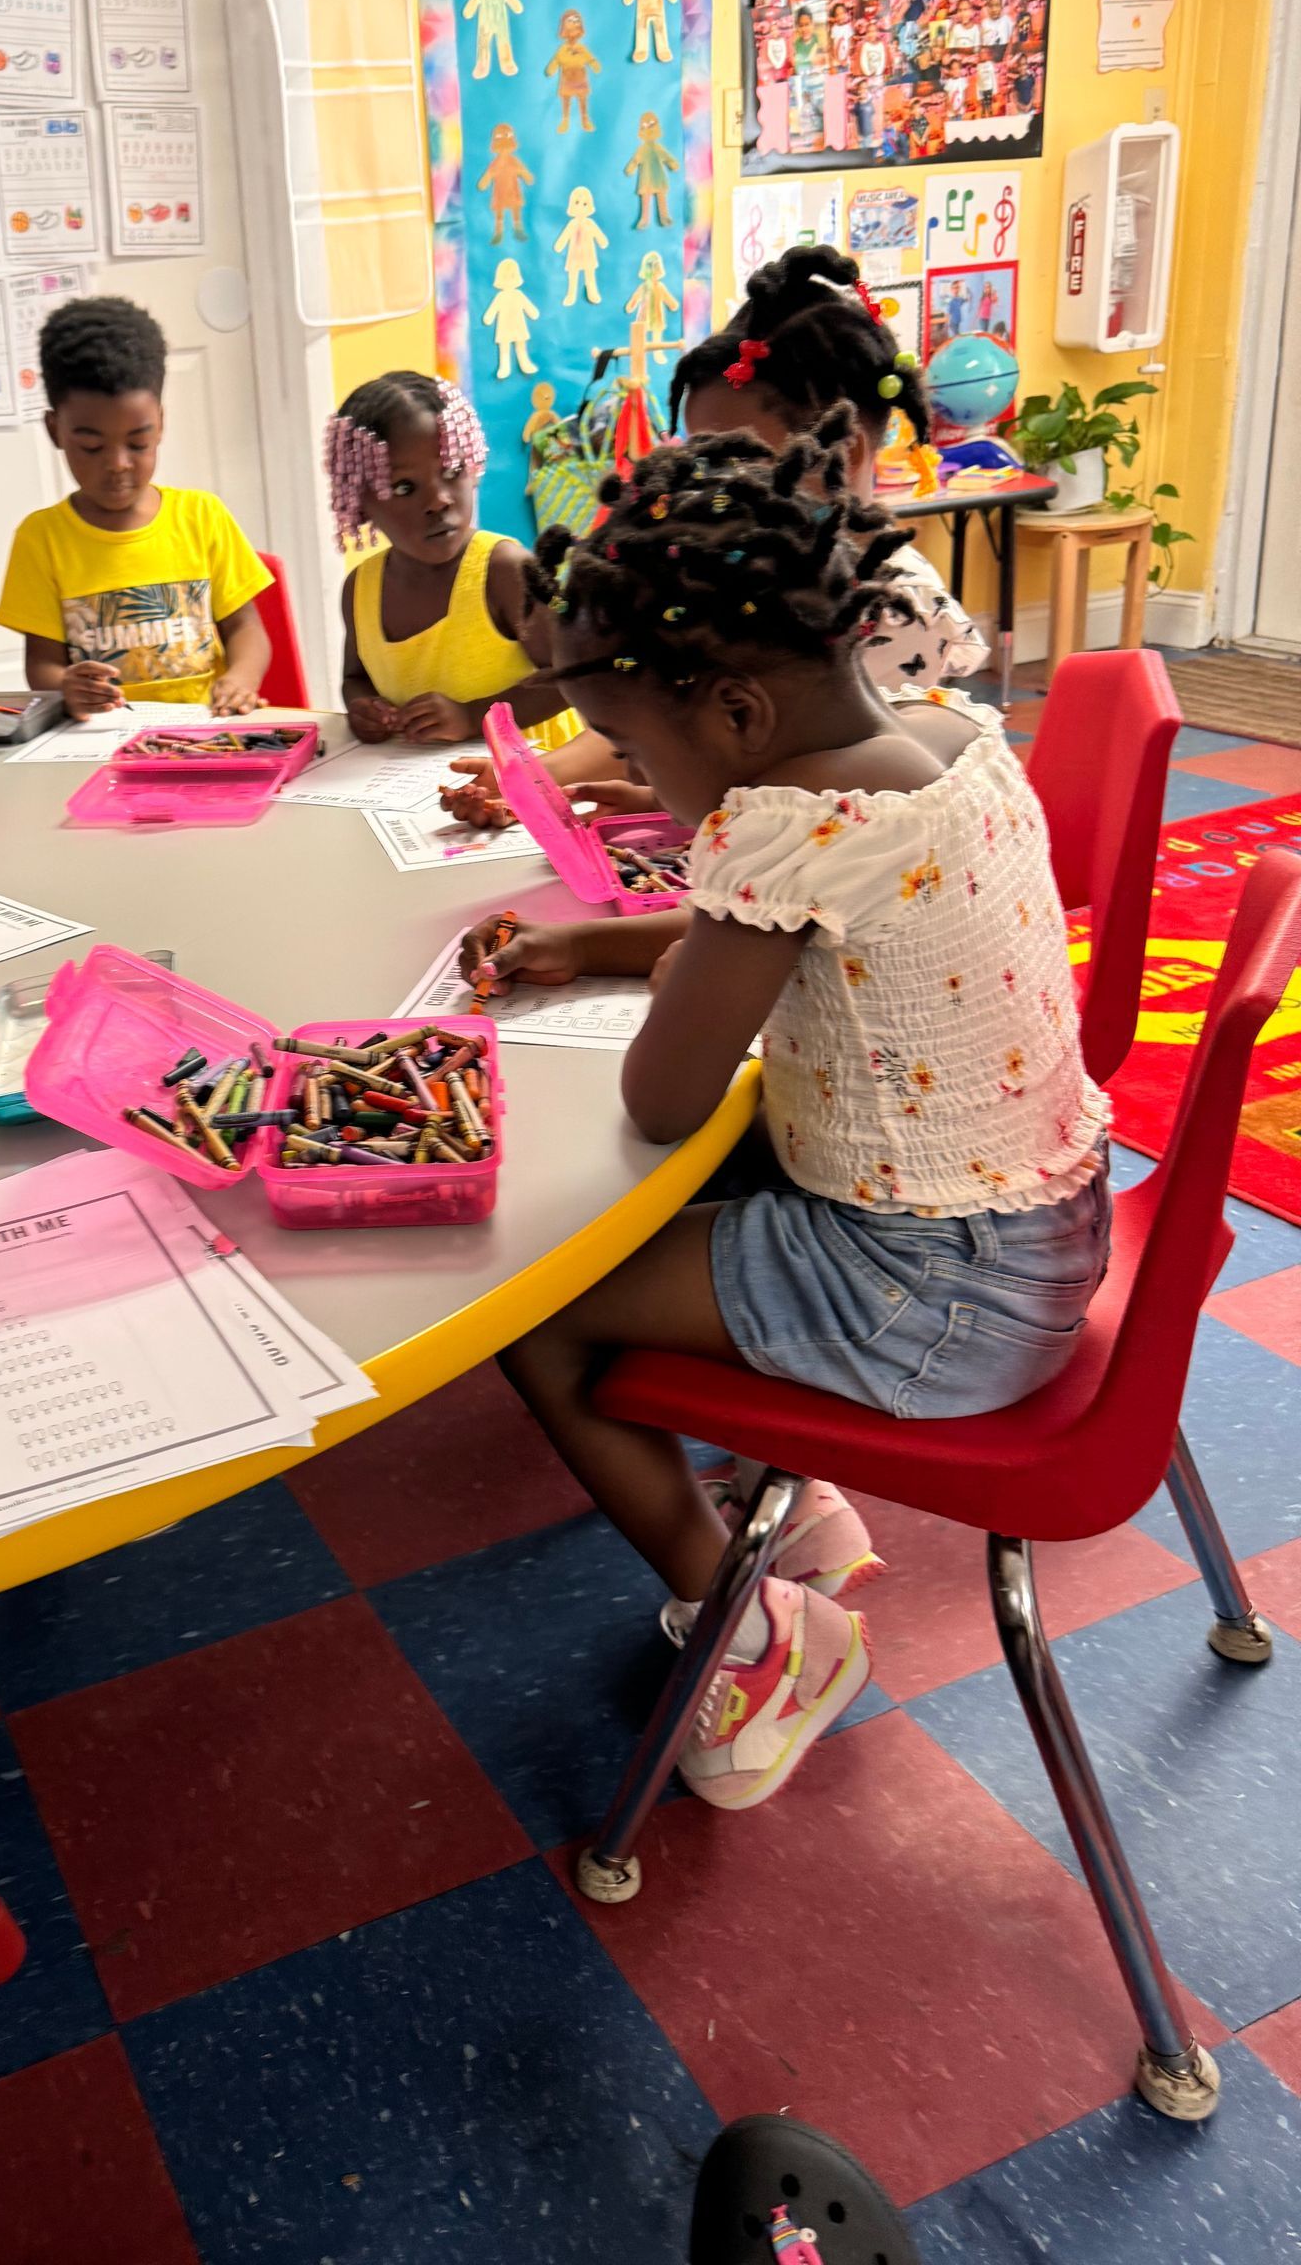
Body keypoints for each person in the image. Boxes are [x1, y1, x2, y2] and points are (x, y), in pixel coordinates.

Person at [465, 412, 1111, 1811]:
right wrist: (599, 944)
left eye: (642, 753)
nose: (654, 795)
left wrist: (682, 932)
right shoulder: (951, 738)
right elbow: (811, 935)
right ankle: (793, 1506)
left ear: (739, 718)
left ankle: (757, 1634)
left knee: (533, 1304)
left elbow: (661, 1094)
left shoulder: (786, 823)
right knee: (723, 1182)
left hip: (935, 1299)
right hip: (1044, 1234)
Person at [442, 247, 983, 821]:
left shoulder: (892, 614)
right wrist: (542, 778)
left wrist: (551, 781)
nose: (709, 480)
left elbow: (806, 806)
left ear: (842, 456)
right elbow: (666, 707)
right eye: (700, 453)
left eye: (740, 457)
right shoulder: (738, 574)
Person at [0, 296, 271, 720]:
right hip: (103, 740)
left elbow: (247, 630)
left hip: (205, 733)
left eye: (138, 443)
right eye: (91, 446)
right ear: (55, 430)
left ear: (159, 423)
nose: (118, 464)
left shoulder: (202, 516)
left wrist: (241, 679)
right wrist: (65, 686)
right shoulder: (42, 538)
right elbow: (42, 664)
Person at [327, 371, 577, 747]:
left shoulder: (503, 570)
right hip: (423, 789)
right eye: (404, 487)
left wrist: (473, 716)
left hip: (533, 780)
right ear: (360, 502)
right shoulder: (360, 590)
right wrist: (363, 707)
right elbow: (355, 678)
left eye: (453, 471)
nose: (439, 500)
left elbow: (571, 676)